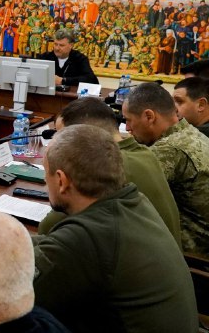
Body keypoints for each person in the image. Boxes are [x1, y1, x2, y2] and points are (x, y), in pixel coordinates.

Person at [33, 124, 198, 333]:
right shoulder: (134, 202)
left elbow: (20, 295)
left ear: (61, 181)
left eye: (46, 175)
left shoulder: (89, 236)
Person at [39, 98, 180, 246]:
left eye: (62, 138)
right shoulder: (144, 153)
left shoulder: (109, 164)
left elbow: (49, 227)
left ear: (85, 136)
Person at [122, 82, 209, 256]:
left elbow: (124, 189)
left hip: (194, 246)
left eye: (128, 119)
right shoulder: (189, 132)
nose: (127, 128)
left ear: (149, 116)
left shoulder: (169, 149)